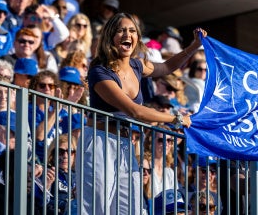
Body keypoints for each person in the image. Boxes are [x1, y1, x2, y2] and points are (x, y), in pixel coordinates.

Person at [75, 12, 206, 214]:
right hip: (100, 143)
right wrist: (177, 118)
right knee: (97, 208)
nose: (127, 34)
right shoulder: (100, 71)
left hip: (127, 144)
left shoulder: (137, 64)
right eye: (121, 30)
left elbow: (168, 66)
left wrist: (193, 47)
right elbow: (135, 111)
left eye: (132, 30)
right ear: (111, 36)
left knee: (131, 208)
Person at [46, 133, 77, 215]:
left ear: (75, 155)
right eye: (60, 151)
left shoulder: (79, 176)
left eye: (70, 151)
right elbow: (42, 202)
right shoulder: (47, 172)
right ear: (52, 154)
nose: (65, 156)